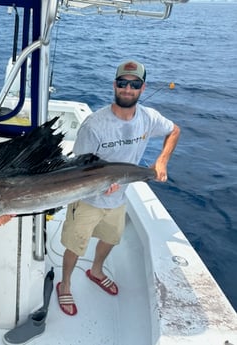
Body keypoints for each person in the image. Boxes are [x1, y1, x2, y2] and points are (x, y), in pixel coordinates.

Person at [56, 60, 180, 316]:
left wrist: (162, 160)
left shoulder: (149, 118)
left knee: (111, 238)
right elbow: (78, 171)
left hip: (119, 196)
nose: (127, 89)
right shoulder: (94, 125)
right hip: (88, 199)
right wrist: (100, 186)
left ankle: (97, 271)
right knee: (75, 245)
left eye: (134, 84)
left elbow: (174, 130)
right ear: (115, 85)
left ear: (142, 88)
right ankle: (65, 283)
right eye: (123, 83)